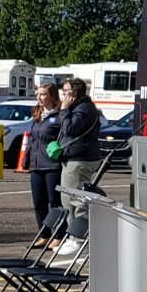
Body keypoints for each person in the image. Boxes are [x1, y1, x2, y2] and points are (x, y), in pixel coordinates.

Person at [53, 78, 104, 256]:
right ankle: (73, 235)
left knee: (75, 199)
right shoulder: (80, 108)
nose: (63, 95)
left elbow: (70, 129)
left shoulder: (83, 109)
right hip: (73, 157)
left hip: (79, 159)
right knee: (67, 198)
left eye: (66, 91)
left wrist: (65, 110)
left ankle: (78, 238)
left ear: (74, 92)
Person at [25, 82, 64, 245]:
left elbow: (64, 137)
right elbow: (32, 138)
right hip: (36, 164)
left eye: (42, 94)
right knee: (38, 202)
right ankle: (43, 234)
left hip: (52, 165)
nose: (39, 98)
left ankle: (59, 235)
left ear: (52, 96)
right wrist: (26, 158)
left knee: (54, 202)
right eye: (38, 94)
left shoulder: (60, 115)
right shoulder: (37, 113)